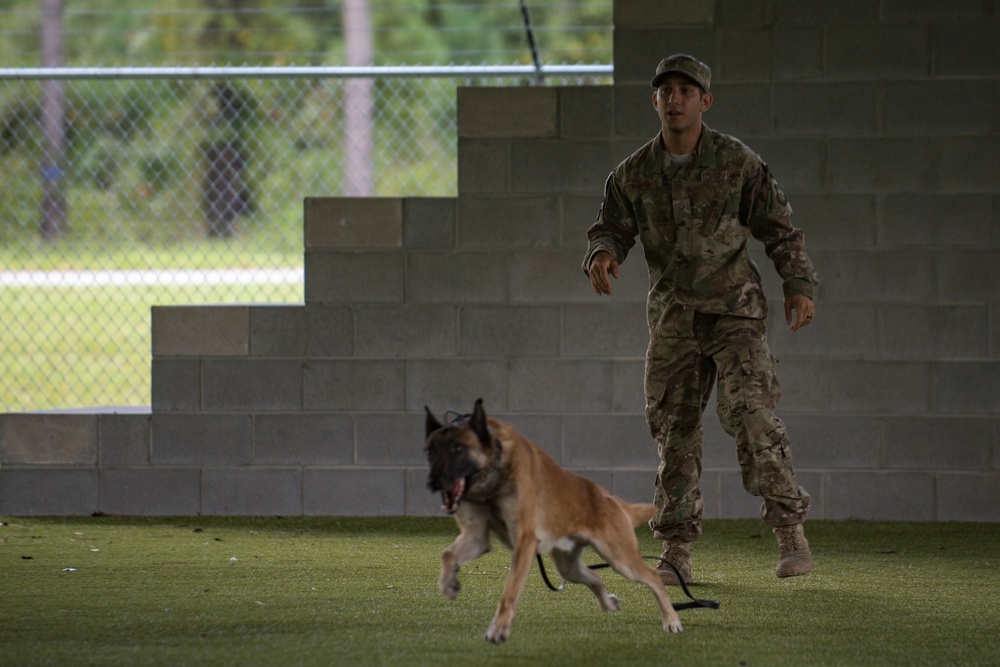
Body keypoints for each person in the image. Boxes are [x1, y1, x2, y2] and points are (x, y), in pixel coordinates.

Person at [582, 54, 817, 583]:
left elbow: (779, 227)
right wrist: (602, 252)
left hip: (735, 314)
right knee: (675, 433)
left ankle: (789, 532)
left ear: (705, 101)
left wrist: (798, 284)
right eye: (666, 90)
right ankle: (676, 551)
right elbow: (610, 226)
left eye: (686, 91)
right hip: (675, 320)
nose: (675, 99)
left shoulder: (736, 163)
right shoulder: (633, 174)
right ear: (655, 100)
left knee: (752, 415)